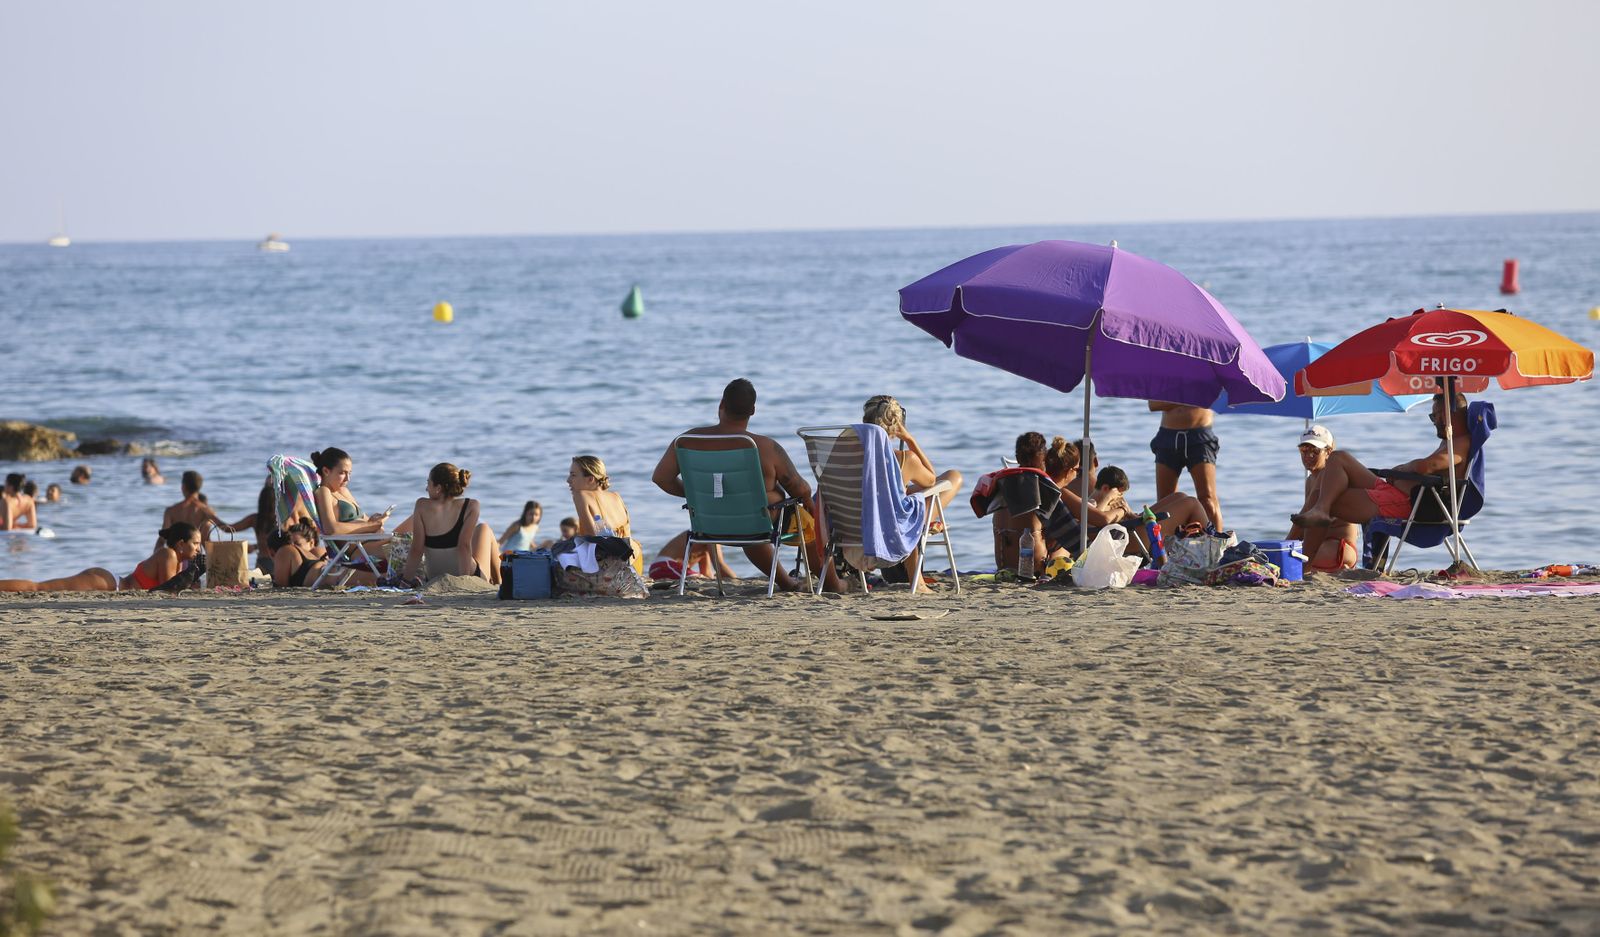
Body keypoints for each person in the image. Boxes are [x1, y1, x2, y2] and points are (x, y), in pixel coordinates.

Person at [651, 378, 820, 592]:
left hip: (709, 521)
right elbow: (800, 488)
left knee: (757, 508)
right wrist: (807, 502)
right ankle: (834, 583)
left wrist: (698, 495)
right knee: (803, 520)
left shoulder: (687, 440)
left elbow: (661, 478)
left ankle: (785, 581)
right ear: (753, 410)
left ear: (721, 405)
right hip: (755, 522)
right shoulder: (766, 447)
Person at [1290, 390, 1472, 565]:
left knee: (1323, 495)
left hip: (1407, 503)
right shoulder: (1450, 442)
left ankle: (1304, 562)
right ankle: (1317, 513)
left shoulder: (1461, 444)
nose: (1434, 422)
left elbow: (1426, 466)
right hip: (1396, 495)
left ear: (1447, 414)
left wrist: (1404, 468)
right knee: (1337, 459)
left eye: (1435, 416)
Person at [1053, 439, 1209, 558]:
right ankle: (1211, 550)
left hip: (1116, 532)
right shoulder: (1063, 493)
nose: (1076, 475)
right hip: (1118, 540)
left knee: (1180, 496)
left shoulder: (1058, 493)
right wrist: (1120, 508)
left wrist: (1126, 512)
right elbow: (1096, 521)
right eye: (1075, 470)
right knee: (1191, 504)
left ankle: (1206, 549)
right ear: (1068, 471)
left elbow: (1089, 518)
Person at [0, 522, 204, 593]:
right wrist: (192, 575)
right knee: (40, 588)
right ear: (180, 544)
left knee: (41, 587)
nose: (198, 548)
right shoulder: (169, 554)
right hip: (109, 582)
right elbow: (167, 590)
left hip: (109, 580)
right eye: (195, 543)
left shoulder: (175, 559)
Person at [861, 395, 964, 516]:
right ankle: (922, 524)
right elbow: (931, 481)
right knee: (954, 476)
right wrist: (910, 440)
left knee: (903, 488)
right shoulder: (905, 459)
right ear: (898, 424)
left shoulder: (845, 452)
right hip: (890, 528)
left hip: (850, 525)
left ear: (865, 421)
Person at [400, 462, 499, 584]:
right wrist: (465, 582)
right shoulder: (471, 506)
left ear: (438, 488)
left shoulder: (421, 506)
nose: (426, 488)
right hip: (467, 574)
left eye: (428, 483)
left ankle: (499, 584)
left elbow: (416, 549)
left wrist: (405, 581)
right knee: (484, 529)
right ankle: (500, 583)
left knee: (481, 530)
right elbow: (464, 546)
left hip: (434, 578)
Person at [1289, 426, 1360, 573]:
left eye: (1315, 451)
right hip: (1322, 546)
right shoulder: (1310, 480)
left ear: (1328, 452)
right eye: (1304, 450)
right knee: (1291, 554)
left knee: (1289, 557)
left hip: (1339, 548)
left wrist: (1282, 547)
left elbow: (1300, 524)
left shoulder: (1329, 477)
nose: (1308, 455)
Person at [1147, 402, 1222, 530]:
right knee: (1166, 504)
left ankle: (1219, 544)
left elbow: (1210, 396)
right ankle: (1168, 547)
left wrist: (1173, 398)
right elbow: (1154, 404)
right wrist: (1188, 396)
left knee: (1208, 501)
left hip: (1199, 437)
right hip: (1168, 437)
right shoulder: (1167, 380)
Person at [272, 519, 378, 589]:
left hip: (336, 577)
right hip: (339, 573)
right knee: (382, 575)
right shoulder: (315, 552)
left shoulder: (285, 551)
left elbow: (281, 586)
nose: (294, 545)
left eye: (297, 543)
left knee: (382, 576)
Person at [310, 447, 390, 536]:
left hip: (377, 540)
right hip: (359, 545)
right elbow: (331, 529)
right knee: (407, 546)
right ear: (326, 471)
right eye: (342, 473)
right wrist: (373, 525)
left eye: (349, 473)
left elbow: (366, 522)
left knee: (408, 530)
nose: (348, 479)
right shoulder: (324, 491)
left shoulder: (344, 491)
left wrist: (374, 521)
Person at [223, 481, 283, 576]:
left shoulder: (255, 519)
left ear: (260, 502)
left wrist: (211, 517)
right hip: (278, 560)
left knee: (260, 584)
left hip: (261, 562)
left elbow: (228, 529)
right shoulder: (282, 519)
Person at [158, 471, 230, 547]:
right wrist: (244, 522)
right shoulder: (206, 510)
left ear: (183, 487)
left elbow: (162, 539)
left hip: (177, 556)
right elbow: (226, 529)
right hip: (195, 555)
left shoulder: (171, 511)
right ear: (199, 487)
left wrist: (155, 557)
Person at [648, 530, 738, 582]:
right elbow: (720, 566)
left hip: (660, 568)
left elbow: (706, 574)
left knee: (703, 579)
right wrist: (736, 580)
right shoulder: (710, 534)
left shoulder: (702, 541)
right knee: (698, 580)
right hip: (665, 565)